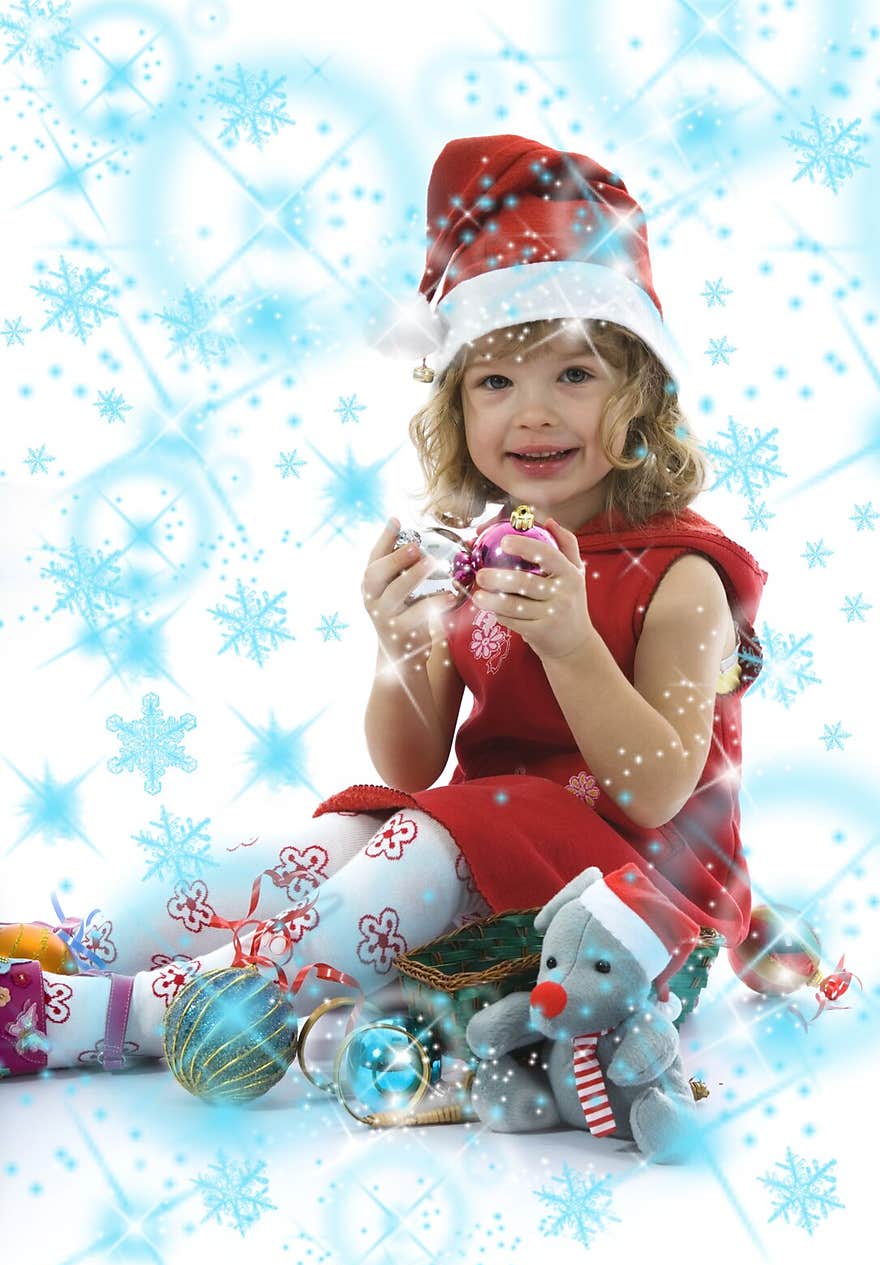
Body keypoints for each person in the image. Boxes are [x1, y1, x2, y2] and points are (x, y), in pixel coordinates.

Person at [1, 133, 766, 1079]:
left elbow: (655, 791)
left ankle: (120, 1019)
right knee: (340, 839)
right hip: (480, 848)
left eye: (574, 375)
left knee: (420, 840)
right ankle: (77, 949)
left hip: (629, 903)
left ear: (640, 398)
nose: (532, 413)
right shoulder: (478, 550)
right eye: (495, 382)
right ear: (456, 409)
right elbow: (411, 760)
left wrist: (571, 646)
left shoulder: (683, 574)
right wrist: (401, 645)